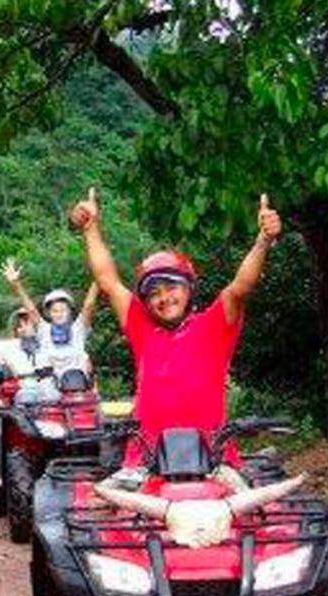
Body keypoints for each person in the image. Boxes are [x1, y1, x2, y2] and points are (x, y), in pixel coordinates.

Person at [68, 187, 283, 462]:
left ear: (189, 290)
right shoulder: (141, 328)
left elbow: (240, 287)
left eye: (171, 287)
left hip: (214, 461)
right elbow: (108, 281)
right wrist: (90, 229)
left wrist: (263, 241)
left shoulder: (215, 325)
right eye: (153, 293)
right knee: (106, 501)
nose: (163, 298)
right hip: (146, 462)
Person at [1, 259, 98, 378]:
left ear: (70, 312)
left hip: (78, 385)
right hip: (50, 385)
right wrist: (16, 284)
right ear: (49, 314)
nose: (59, 314)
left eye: (63, 310)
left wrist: (98, 279)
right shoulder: (44, 329)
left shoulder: (78, 328)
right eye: (55, 311)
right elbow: (31, 309)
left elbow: (89, 305)